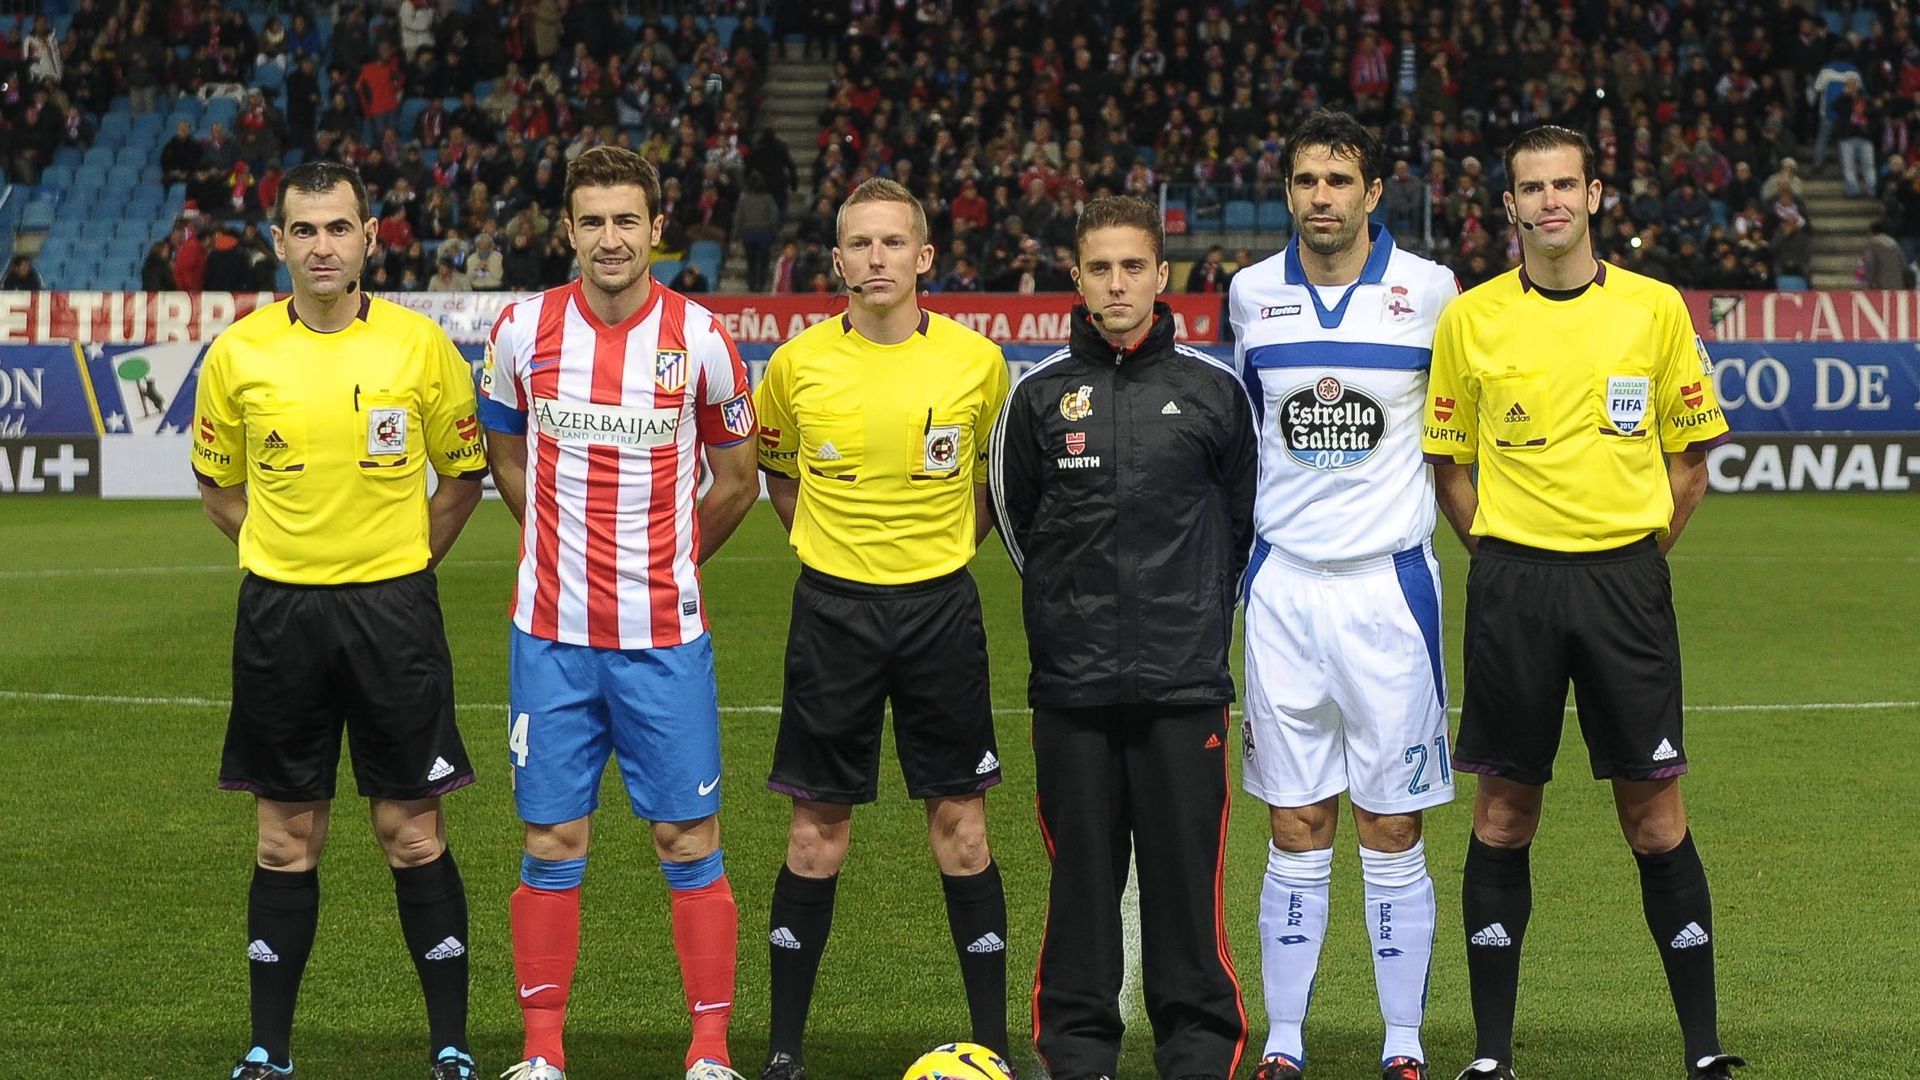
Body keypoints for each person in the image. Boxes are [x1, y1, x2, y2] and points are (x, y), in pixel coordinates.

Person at [1421, 125, 1744, 1080]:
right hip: (1514, 586)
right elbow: (1451, 468)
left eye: (1566, 184)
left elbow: (1690, 464)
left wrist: (1627, 555)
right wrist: (1507, 554)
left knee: (1656, 816)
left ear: (1594, 195)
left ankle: (1703, 1049)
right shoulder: (1471, 318)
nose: (1551, 201)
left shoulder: (1655, 308)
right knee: (1502, 815)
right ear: (1509, 205)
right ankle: (1491, 1055)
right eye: (1533, 188)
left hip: (1624, 586)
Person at [190, 159, 488, 1080]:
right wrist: (285, 553)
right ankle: (268, 1050)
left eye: (339, 228)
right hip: (279, 616)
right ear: (279, 242)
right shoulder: (237, 354)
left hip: (394, 613)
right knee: (285, 838)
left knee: (413, 831)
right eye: (305, 230)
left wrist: (398, 563)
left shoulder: (420, 347)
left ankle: (450, 1047)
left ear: (369, 237)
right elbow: (217, 485)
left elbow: (461, 479)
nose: (323, 246)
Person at [478, 146, 761, 1080]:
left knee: (688, 839)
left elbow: (736, 480)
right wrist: (555, 543)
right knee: (552, 839)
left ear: (656, 229)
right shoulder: (521, 331)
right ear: (568, 230)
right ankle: (542, 1054)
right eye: (593, 221)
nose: (610, 238)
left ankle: (709, 1053)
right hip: (550, 639)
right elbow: (506, 455)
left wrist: (666, 560)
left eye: (626, 220)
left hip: (663, 641)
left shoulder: (703, 338)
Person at [989, 194, 1256, 1080]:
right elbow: (1018, 523)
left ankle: (1199, 1049)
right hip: (1073, 682)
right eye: (1099, 268)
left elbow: (1243, 523)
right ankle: (1077, 1052)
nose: (1117, 284)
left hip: (1185, 682)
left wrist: (1194, 609)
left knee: (1187, 882)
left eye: (1133, 266)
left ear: (1162, 275)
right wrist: (1070, 607)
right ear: (1075, 277)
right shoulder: (1036, 395)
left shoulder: (1214, 390)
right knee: (1080, 884)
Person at [754, 177, 1011, 1080]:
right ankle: (784, 1051)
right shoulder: (794, 367)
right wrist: (834, 551)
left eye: (893, 243)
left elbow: (994, 484)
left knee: (963, 829)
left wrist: (943, 550)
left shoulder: (979, 364)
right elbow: (779, 476)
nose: (876, 259)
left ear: (924, 256)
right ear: (836, 261)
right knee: (814, 832)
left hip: (940, 610)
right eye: (859, 244)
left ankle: (993, 1046)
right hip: (833, 614)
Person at [1230, 109, 1462, 1080]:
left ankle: (1403, 1043)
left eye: (1338, 180)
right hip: (1283, 588)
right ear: (1287, 192)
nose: (1320, 197)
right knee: (1294, 821)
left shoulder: (1432, 291)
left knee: (1391, 824)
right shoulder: (1250, 294)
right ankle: (1285, 1042)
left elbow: (1455, 432)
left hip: (1388, 591)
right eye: (1305, 181)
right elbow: (1245, 433)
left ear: (1373, 192)